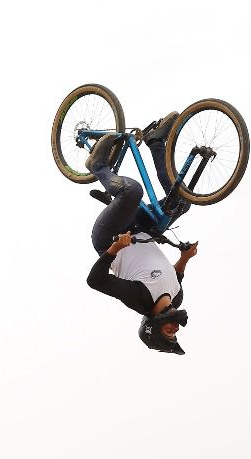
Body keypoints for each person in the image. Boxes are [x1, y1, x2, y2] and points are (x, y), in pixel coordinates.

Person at [83, 112, 199, 355]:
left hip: (110, 236)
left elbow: (95, 281)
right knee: (181, 202)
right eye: (175, 333)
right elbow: (175, 277)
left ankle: (98, 166)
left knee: (132, 191)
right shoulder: (176, 300)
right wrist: (185, 258)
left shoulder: (139, 300)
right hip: (145, 230)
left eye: (169, 332)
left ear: (154, 327)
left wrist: (115, 249)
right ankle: (156, 143)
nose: (176, 329)